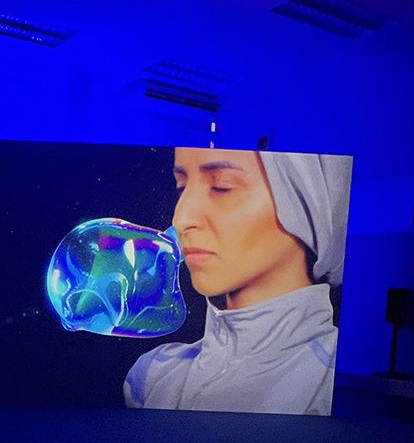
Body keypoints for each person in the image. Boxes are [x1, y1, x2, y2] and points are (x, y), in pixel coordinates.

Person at [123, 146, 350, 415]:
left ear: (309, 206)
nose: (181, 219)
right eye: (182, 187)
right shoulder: (154, 376)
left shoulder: (340, 384)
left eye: (222, 186)